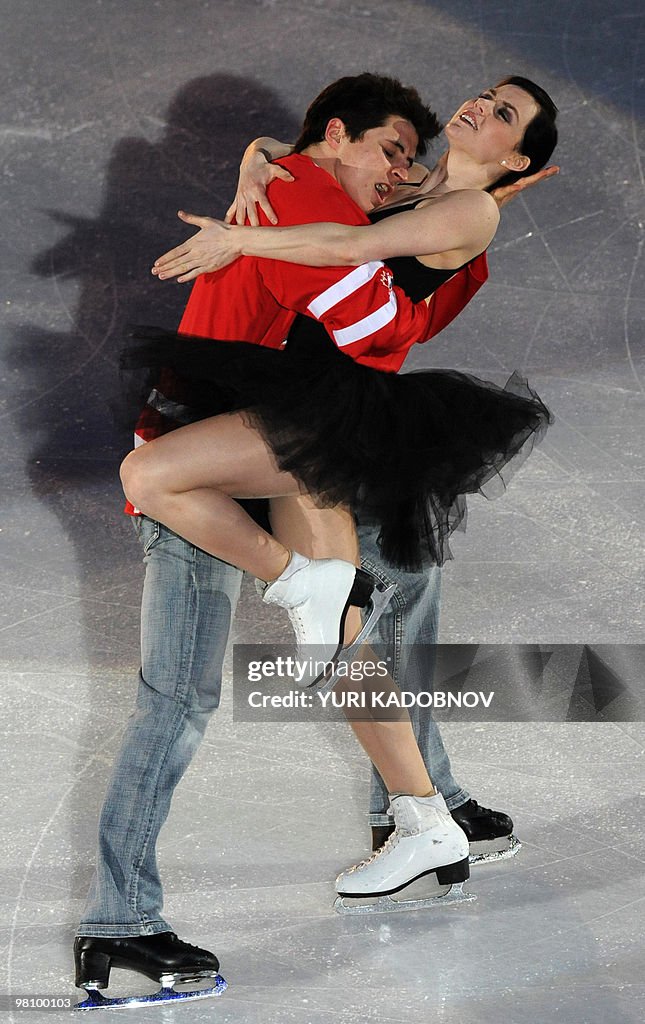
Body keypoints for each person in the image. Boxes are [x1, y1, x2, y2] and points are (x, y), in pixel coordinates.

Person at [74, 72, 465, 1005]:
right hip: (209, 466)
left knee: (346, 632)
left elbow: (342, 280)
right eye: (389, 150)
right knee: (179, 701)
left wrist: (396, 218)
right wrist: (413, 248)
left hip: (270, 448)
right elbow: (375, 330)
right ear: (337, 134)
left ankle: (422, 817)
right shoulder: (304, 193)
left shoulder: (291, 181)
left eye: (413, 159)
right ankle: (119, 927)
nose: (399, 170)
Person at [119, 74, 557, 897]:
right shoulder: (423, 183)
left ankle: (295, 583)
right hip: (302, 397)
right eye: (485, 95)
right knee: (341, 638)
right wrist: (258, 164)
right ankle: (424, 818)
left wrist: (238, 240)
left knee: (150, 473)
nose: (477, 108)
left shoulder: (472, 211)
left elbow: (349, 247)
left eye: (503, 116)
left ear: (517, 158)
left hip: (326, 408)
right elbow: (311, 158)